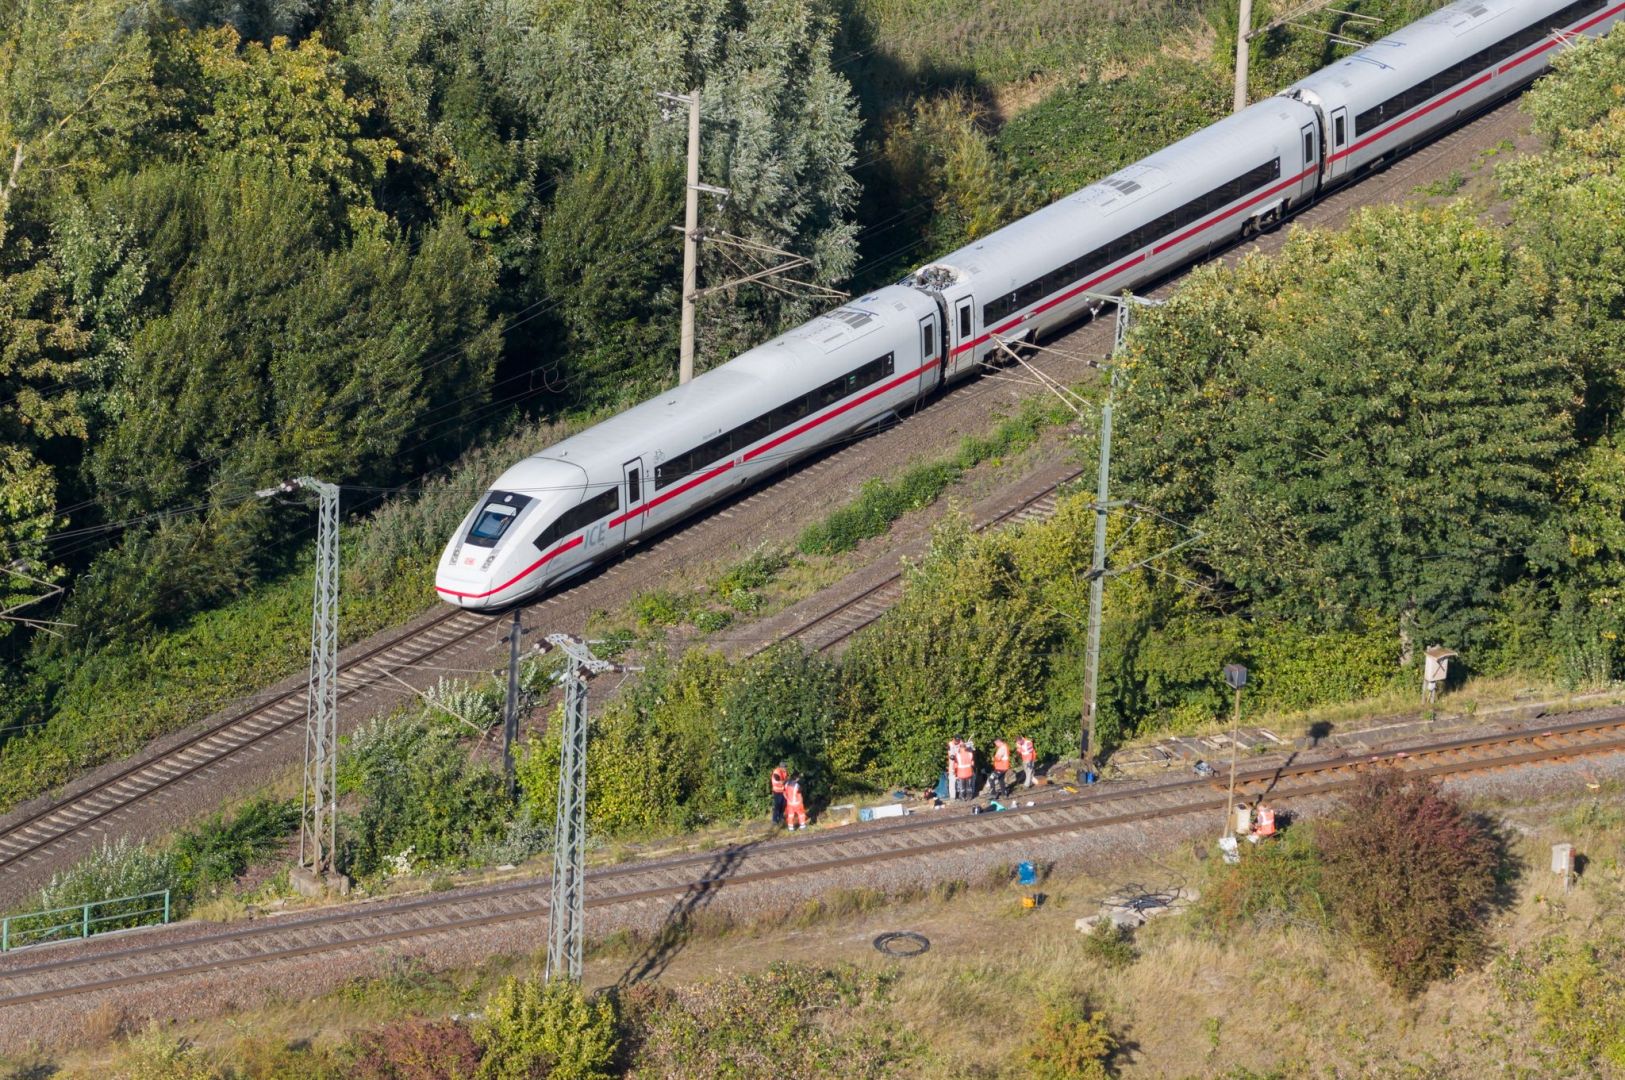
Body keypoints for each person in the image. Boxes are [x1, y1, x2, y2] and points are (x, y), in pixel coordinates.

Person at [770, 762, 789, 826]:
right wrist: (785, 782)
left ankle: (781, 817)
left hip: (783, 791)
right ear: (781, 767)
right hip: (777, 791)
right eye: (785, 767)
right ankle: (774, 820)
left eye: (786, 767)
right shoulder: (776, 772)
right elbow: (777, 782)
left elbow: (786, 779)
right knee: (777, 805)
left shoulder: (785, 772)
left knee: (783, 805)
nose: (786, 768)